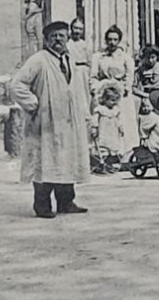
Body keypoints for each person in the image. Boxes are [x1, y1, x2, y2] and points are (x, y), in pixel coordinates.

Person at [10, 19, 90, 219]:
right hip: (45, 122)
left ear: (67, 38)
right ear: (46, 40)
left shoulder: (69, 60)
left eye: (62, 36)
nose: (58, 40)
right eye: (53, 36)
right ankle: (42, 206)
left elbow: (75, 89)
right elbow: (16, 85)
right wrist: (33, 104)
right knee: (45, 162)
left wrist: (83, 113)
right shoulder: (39, 60)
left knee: (66, 160)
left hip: (68, 121)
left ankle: (66, 202)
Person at [91, 25, 137, 150]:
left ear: (119, 41)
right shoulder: (98, 57)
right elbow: (93, 76)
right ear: (106, 40)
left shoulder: (125, 58)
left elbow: (129, 76)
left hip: (121, 93)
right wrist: (96, 90)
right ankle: (105, 153)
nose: (112, 42)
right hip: (103, 92)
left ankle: (124, 151)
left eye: (115, 39)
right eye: (110, 39)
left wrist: (125, 88)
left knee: (122, 121)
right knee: (104, 122)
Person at [90, 81, 130, 171]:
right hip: (103, 131)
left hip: (113, 131)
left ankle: (109, 164)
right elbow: (95, 119)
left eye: (115, 100)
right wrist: (94, 128)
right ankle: (101, 163)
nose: (113, 103)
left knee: (113, 147)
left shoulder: (116, 110)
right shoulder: (100, 109)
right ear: (105, 99)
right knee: (103, 147)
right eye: (111, 100)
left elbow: (119, 120)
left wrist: (121, 128)